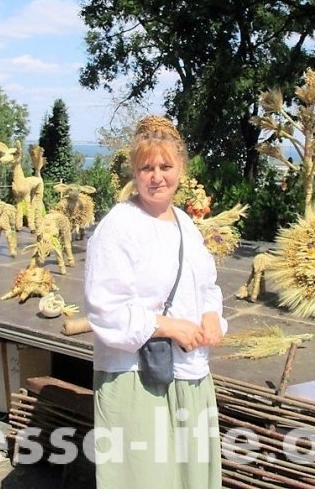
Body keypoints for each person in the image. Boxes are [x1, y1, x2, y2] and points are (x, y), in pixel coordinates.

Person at [84, 116, 226, 488]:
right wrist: (166, 325)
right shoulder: (119, 227)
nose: (156, 176)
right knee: (144, 477)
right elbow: (105, 308)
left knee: (188, 477)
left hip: (190, 373)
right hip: (137, 377)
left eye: (165, 166)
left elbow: (206, 285)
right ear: (135, 171)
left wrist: (212, 315)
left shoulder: (184, 224)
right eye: (147, 167)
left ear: (181, 169)